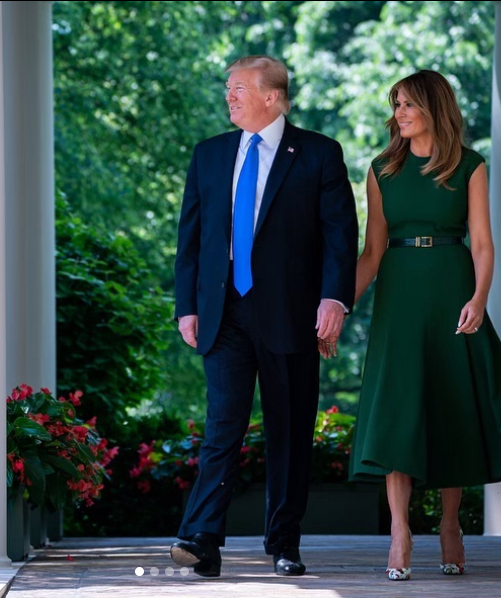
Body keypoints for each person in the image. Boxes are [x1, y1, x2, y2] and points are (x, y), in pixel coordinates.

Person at [334, 70, 501, 581]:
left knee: (450, 408)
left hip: (451, 287)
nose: (398, 113)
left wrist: (479, 298)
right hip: (400, 297)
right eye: (395, 104)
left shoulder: (468, 165)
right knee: (398, 411)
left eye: (408, 105)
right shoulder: (381, 169)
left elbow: (483, 243)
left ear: (432, 109)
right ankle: (400, 530)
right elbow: (372, 252)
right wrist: (338, 307)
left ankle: (449, 525)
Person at [170, 55, 358, 578]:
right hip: (223, 311)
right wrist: (187, 304)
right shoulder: (208, 155)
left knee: (289, 432)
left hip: (292, 313)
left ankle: (284, 543)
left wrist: (334, 299)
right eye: (228, 88)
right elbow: (191, 239)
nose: (229, 96)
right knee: (222, 427)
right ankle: (203, 537)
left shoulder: (319, 153)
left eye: (238, 88)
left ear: (272, 96)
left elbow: (340, 235)